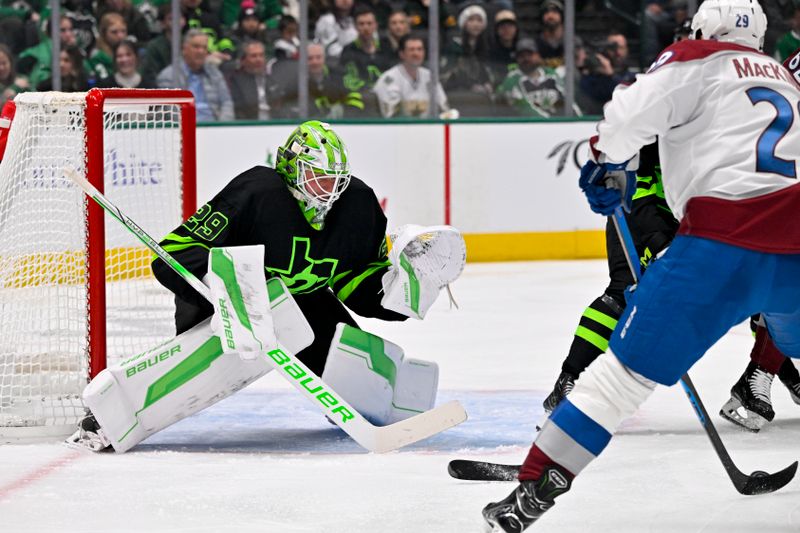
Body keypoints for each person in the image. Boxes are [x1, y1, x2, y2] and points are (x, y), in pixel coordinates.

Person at [482, 1, 800, 530]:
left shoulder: (695, 56)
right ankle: (761, 377)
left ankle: (538, 486)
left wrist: (610, 167)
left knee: (619, 378)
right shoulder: (787, 81)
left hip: (718, 245)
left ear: (704, 27)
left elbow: (626, 114)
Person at [68, 120, 464, 453]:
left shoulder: (358, 204)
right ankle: (107, 416)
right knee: (196, 368)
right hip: (229, 304)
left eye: (334, 180)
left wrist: (400, 290)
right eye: (317, 178)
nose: (327, 191)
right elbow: (174, 253)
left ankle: (388, 400)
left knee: (350, 358)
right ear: (290, 167)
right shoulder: (256, 192)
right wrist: (229, 287)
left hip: (301, 304)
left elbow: (354, 286)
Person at [157, 29, 235, 122]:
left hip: (214, 128)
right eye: (196, 47)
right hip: (185, 130)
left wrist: (222, 127)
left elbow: (226, 102)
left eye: (204, 48)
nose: (201, 51)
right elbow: (170, 112)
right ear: (184, 49)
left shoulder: (215, 73)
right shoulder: (168, 76)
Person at [271, 42, 365, 118]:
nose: (315, 62)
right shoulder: (296, 82)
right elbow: (284, 106)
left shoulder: (339, 77)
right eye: (310, 58)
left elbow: (356, 98)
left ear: (324, 58)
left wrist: (345, 113)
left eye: (318, 57)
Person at [373, 34, 453, 118]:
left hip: (429, 128)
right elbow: (391, 115)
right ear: (402, 54)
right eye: (411, 50)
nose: (416, 53)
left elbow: (444, 108)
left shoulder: (429, 76)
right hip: (398, 129)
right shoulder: (389, 79)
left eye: (420, 49)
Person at [495, 37, 577, 117]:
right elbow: (524, 109)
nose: (526, 59)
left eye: (529, 54)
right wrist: (550, 122)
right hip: (528, 127)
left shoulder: (550, 73)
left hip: (558, 124)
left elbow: (567, 98)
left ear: (538, 55)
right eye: (521, 56)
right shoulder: (512, 79)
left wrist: (579, 119)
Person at [340, 6, 394, 97]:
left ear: (375, 25)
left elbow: (393, 74)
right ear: (355, 26)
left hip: (385, 95)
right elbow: (347, 80)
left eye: (369, 23)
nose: (366, 27)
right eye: (361, 24)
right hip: (360, 97)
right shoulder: (348, 50)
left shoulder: (386, 47)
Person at [227, 40, 277, 119]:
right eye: (254, 56)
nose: (258, 59)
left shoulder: (273, 79)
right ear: (243, 60)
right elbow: (239, 109)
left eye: (261, 55)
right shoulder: (235, 80)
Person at [89, 13, 129, 81]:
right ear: (104, 33)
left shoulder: (131, 53)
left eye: (123, 31)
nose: (120, 36)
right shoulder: (97, 57)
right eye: (114, 32)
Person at [535, 0, 565, 69]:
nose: (550, 16)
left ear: (561, 16)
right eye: (546, 12)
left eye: (555, 12)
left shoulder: (572, 42)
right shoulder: (535, 45)